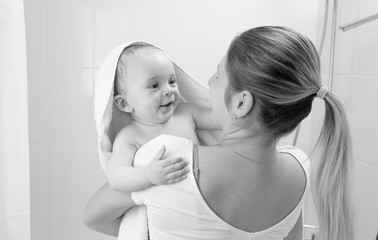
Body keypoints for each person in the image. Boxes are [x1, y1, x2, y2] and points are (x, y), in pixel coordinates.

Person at [83, 26, 353, 240]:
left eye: (217, 76)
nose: (207, 84)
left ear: (241, 102)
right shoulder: (300, 169)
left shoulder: (169, 161)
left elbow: (93, 217)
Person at [108, 42, 219, 192]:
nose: (169, 90)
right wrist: (147, 175)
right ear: (125, 103)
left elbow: (219, 120)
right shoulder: (130, 136)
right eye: (154, 85)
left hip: (201, 198)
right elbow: (117, 177)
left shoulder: (185, 113)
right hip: (164, 206)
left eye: (172, 81)